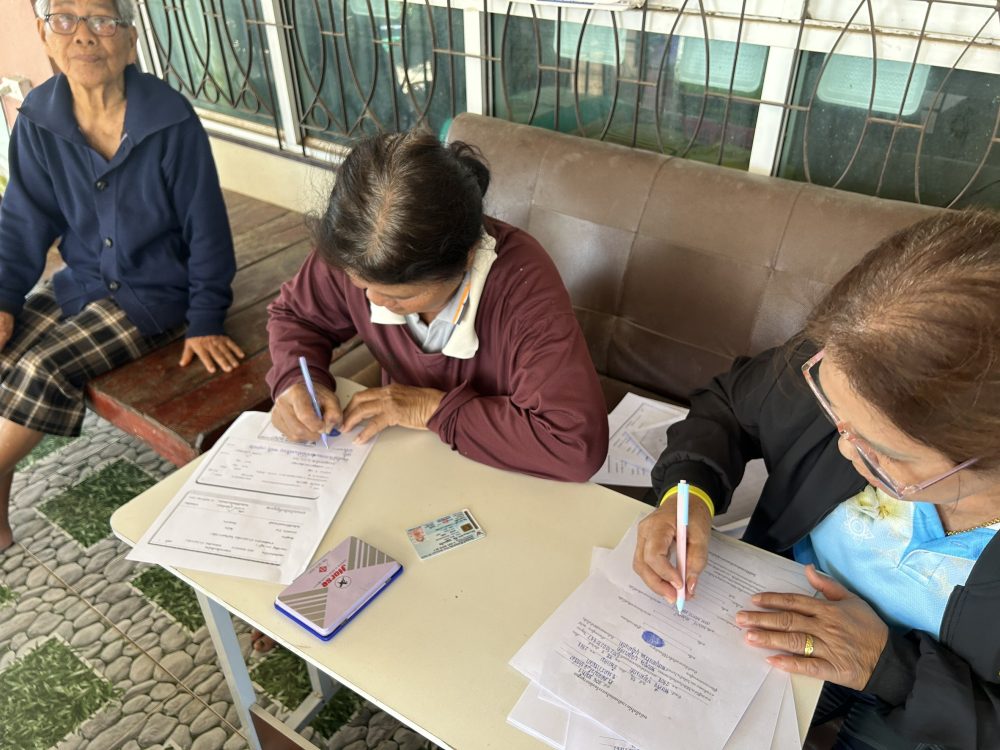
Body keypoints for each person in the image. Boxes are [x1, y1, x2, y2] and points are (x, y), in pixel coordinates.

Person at [633, 210, 1000, 749]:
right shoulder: (857, 356)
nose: (844, 446)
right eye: (834, 412)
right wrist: (687, 492)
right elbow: (730, 406)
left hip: (938, 707)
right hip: (784, 605)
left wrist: (886, 667)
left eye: (882, 453)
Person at [0, 0, 244, 551]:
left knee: (42, 367)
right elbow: (22, 221)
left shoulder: (169, 120)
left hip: (155, 295)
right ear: (44, 34)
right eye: (65, 20)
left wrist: (207, 317)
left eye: (102, 21)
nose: (84, 36)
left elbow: (206, 225)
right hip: (83, 281)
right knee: (7, 351)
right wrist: (4, 299)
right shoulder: (38, 119)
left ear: (130, 40)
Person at [267, 130, 607, 482]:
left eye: (401, 297)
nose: (373, 301)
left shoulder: (522, 284)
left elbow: (573, 445)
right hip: (406, 463)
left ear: (467, 258)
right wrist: (296, 380)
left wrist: (430, 408)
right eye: (362, 286)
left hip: (506, 471)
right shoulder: (357, 248)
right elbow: (297, 317)